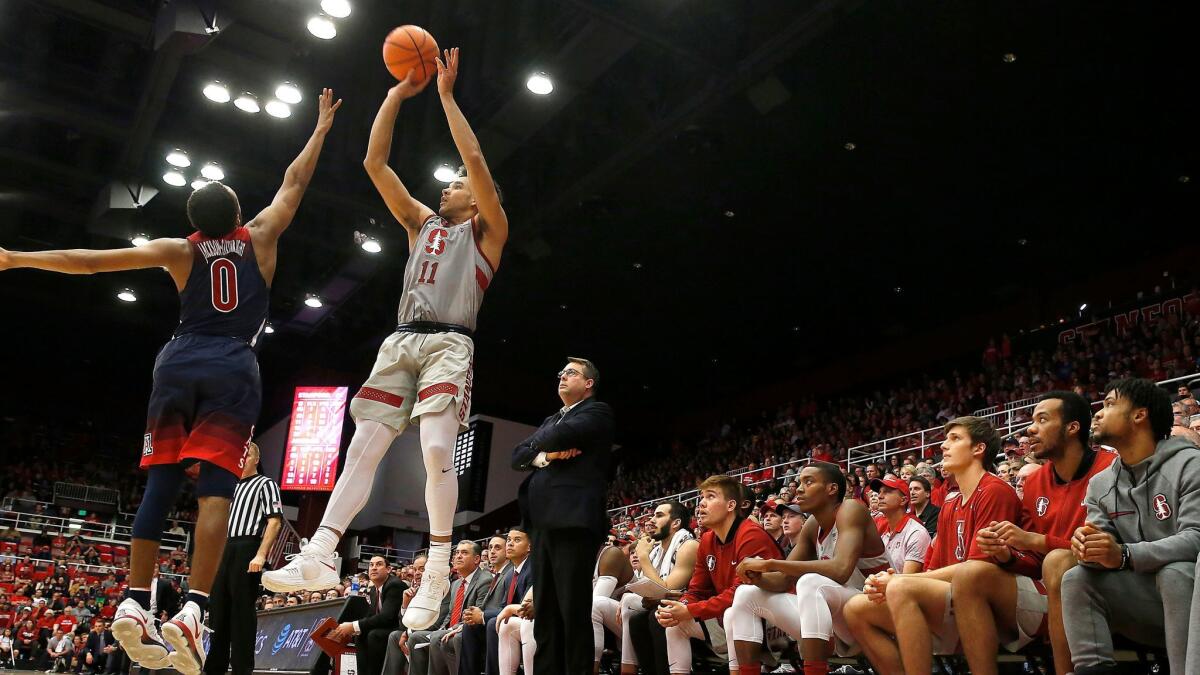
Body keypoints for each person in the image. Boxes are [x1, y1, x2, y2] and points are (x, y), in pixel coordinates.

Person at [0, 89, 342, 675]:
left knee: (160, 482)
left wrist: (14, 259)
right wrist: (320, 129)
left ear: (193, 223)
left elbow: (89, 261)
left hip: (178, 358)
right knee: (213, 493)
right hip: (233, 363)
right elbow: (293, 183)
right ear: (237, 214)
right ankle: (192, 609)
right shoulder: (259, 237)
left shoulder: (175, 252)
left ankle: (134, 601)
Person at [264, 48, 509, 634]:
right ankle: (322, 551)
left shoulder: (488, 229)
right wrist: (398, 94)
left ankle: (438, 569)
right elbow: (375, 162)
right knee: (362, 449)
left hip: (451, 343)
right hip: (401, 342)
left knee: (432, 452)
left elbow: (473, 156)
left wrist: (447, 96)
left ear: (474, 197)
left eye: (454, 185)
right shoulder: (422, 224)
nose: (446, 188)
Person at [842, 416, 1022, 675]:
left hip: (993, 599)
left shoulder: (995, 490)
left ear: (978, 449)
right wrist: (896, 579)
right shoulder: (950, 502)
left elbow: (979, 567)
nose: (944, 446)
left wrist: (900, 581)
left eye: (955, 439)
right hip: (955, 593)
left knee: (902, 588)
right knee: (856, 609)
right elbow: (935, 568)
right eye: (946, 439)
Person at [952, 391, 1115, 675]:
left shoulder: (1110, 468)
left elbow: (1102, 547)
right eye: (1031, 421)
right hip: (1046, 585)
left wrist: (1036, 541)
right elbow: (1033, 561)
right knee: (970, 572)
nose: (1030, 428)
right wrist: (1005, 555)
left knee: (1058, 562)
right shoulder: (1035, 481)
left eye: (1042, 420)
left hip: (1106, 579)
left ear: (1072, 427)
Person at [1062, 379, 1200, 675]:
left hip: (1191, 600)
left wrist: (1124, 555)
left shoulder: (1191, 464)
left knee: (1175, 572)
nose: (1097, 413)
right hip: (1145, 605)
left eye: (1110, 404)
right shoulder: (1100, 483)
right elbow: (1103, 551)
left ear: (1140, 415)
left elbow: (1195, 540)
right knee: (1076, 579)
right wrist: (1089, 548)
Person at [726, 463, 888, 675]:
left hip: (875, 615)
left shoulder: (851, 509)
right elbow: (783, 580)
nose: (799, 489)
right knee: (746, 594)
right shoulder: (812, 524)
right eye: (800, 482)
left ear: (832, 489)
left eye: (808, 482)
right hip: (833, 620)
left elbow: (841, 570)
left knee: (810, 582)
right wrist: (756, 576)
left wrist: (770, 563)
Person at [511, 358, 615, 675]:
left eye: (570, 373)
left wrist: (539, 447)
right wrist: (549, 455)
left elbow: (550, 439)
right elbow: (517, 456)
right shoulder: (552, 418)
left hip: (574, 520)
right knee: (546, 612)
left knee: (572, 609)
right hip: (542, 524)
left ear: (589, 383)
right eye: (561, 373)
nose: (562, 377)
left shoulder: (597, 411)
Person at [654, 474, 783, 675]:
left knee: (735, 611)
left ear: (731, 505)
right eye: (702, 497)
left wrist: (691, 610)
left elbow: (739, 592)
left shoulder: (751, 534)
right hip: (731, 616)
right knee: (675, 621)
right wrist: (682, 607)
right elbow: (697, 589)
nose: (701, 504)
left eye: (711, 497)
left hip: (774, 624)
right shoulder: (707, 540)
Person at [205, 442, 283, 675]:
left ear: (256, 459)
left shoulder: (266, 484)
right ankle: (213, 669)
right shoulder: (231, 487)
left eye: (246, 455)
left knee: (241, 613)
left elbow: (275, 520)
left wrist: (260, 553)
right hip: (225, 548)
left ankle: (242, 669)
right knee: (218, 612)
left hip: (248, 546)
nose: (241, 460)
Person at [598, 501, 697, 675]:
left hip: (693, 613)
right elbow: (647, 590)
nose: (651, 521)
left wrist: (643, 556)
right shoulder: (657, 550)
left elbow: (666, 591)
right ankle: (629, 667)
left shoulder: (688, 545)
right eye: (652, 516)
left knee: (656, 615)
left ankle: (628, 668)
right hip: (664, 610)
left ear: (676, 523)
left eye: (659, 516)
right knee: (636, 616)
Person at [387, 541, 490, 675]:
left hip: (469, 631)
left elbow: (475, 615)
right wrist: (442, 629)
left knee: (434, 636)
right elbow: (450, 615)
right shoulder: (457, 583)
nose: (458, 556)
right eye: (457, 553)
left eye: (464, 553)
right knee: (415, 637)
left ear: (477, 559)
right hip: (447, 629)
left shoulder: (484, 580)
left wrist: (445, 630)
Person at [460, 529, 531, 675]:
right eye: (509, 540)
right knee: (470, 627)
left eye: (516, 540)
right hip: (515, 620)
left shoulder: (534, 568)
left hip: (531, 619)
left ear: (529, 546)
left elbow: (527, 608)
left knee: (493, 624)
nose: (510, 544)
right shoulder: (510, 574)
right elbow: (503, 607)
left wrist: (483, 616)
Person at [328, 557, 404, 675]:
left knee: (374, 635)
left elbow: (387, 617)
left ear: (388, 569)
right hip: (387, 627)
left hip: (400, 628)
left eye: (378, 564)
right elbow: (371, 615)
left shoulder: (394, 585)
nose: (373, 568)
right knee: (360, 634)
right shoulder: (374, 589)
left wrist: (354, 626)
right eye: (371, 565)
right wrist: (354, 629)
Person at [871, 476, 931, 575]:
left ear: (903, 500)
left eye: (887, 492)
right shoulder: (884, 534)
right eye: (880, 492)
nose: (880, 496)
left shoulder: (916, 533)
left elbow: (906, 582)